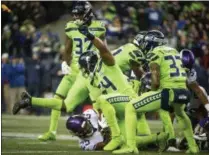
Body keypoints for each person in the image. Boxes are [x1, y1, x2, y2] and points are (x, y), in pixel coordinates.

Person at [14, 1, 106, 142]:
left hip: (90, 72)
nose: (76, 18)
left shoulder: (99, 27)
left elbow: (103, 50)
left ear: (87, 14)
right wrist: (64, 62)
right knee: (58, 99)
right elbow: (67, 48)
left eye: (79, 14)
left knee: (98, 103)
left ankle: (104, 132)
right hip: (74, 71)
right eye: (75, 15)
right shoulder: (70, 27)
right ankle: (51, 131)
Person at [113, 30, 199, 154]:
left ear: (152, 43)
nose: (144, 45)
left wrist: (152, 92)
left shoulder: (155, 52)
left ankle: (131, 147)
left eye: (146, 42)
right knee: (181, 114)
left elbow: (156, 78)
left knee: (130, 107)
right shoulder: (174, 51)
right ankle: (193, 147)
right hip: (184, 92)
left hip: (168, 92)